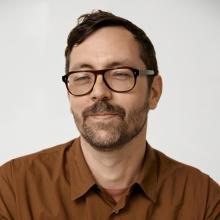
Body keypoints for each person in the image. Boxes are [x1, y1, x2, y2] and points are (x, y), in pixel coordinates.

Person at [0, 10, 220, 220]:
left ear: (154, 92)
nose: (99, 92)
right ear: (69, 93)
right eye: (83, 77)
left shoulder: (203, 200)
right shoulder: (13, 190)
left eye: (120, 74)